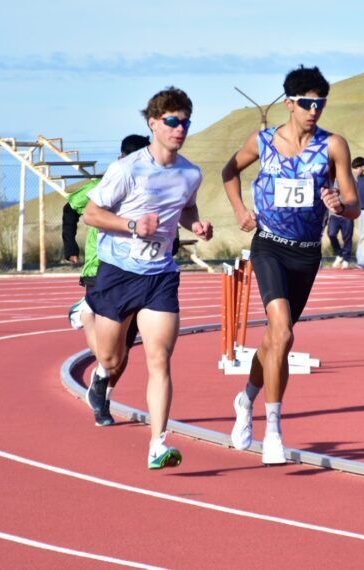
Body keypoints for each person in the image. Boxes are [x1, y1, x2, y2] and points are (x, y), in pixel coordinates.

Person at [222, 65, 359, 465]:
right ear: (289, 104)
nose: (313, 110)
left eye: (320, 104)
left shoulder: (333, 145)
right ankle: (273, 432)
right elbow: (229, 171)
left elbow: (354, 204)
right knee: (282, 331)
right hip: (269, 245)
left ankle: (245, 399)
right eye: (305, 103)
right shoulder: (263, 141)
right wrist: (240, 210)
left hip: (306, 253)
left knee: (275, 341)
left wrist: (340, 206)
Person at [82, 86, 213, 469]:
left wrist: (197, 224)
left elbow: (186, 208)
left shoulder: (190, 173)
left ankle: (157, 444)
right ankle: (88, 313)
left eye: (185, 122)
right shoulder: (127, 169)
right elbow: (91, 214)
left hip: (160, 276)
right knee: (111, 358)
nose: (179, 129)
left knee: (160, 359)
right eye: (172, 121)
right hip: (118, 273)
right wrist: (133, 225)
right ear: (153, 123)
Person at [66, 134, 151, 428]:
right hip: (100, 269)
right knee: (108, 348)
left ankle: (103, 393)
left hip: (138, 271)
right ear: (121, 159)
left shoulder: (152, 187)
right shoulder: (102, 184)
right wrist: (69, 244)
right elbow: (70, 208)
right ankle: (84, 311)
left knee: (123, 349)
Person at [326, 184, 353, 269]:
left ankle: (346, 259)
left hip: (347, 214)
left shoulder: (348, 180)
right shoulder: (330, 180)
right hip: (334, 215)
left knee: (347, 238)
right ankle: (339, 254)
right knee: (331, 234)